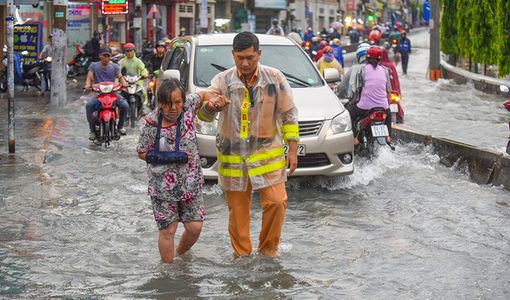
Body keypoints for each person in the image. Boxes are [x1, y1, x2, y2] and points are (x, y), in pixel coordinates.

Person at [204, 32, 299, 257]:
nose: (245, 63)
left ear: (259, 54)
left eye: (250, 58)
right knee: (237, 213)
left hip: (267, 156)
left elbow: (289, 115)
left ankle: (268, 250)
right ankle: (242, 256)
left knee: (276, 202)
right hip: (232, 158)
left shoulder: (275, 79)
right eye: (240, 58)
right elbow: (205, 115)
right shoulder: (222, 80)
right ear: (233, 55)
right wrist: (212, 106)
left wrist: (293, 150)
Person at [136, 78, 228, 263]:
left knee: (195, 227)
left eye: (178, 102)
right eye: (168, 103)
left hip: (190, 183)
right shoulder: (151, 124)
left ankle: (180, 255)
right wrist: (164, 157)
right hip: (163, 187)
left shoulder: (188, 107)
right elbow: (141, 152)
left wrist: (216, 100)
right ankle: (168, 272)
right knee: (168, 230)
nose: (174, 108)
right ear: (160, 103)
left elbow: (201, 95)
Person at [346, 46, 392, 145]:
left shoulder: (361, 70)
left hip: (365, 107)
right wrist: (386, 104)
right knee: (389, 114)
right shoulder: (385, 70)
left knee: (349, 113)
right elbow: (389, 92)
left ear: (366, 58)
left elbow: (356, 90)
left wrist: (352, 101)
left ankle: (354, 139)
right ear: (380, 59)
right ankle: (388, 136)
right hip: (382, 106)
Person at [84, 46, 129, 140]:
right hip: (98, 94)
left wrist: (124, 83)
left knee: (125, 105)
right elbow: (89, 77)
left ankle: (120, 127)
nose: (106, 58)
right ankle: (92, 130)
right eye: (104, 55)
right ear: (100, 56)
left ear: (110, 56)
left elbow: (120, 77)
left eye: (108, 56)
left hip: (113, 94)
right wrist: (87, 85)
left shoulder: (115, 66)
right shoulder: (94, 65)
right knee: (89, 106)